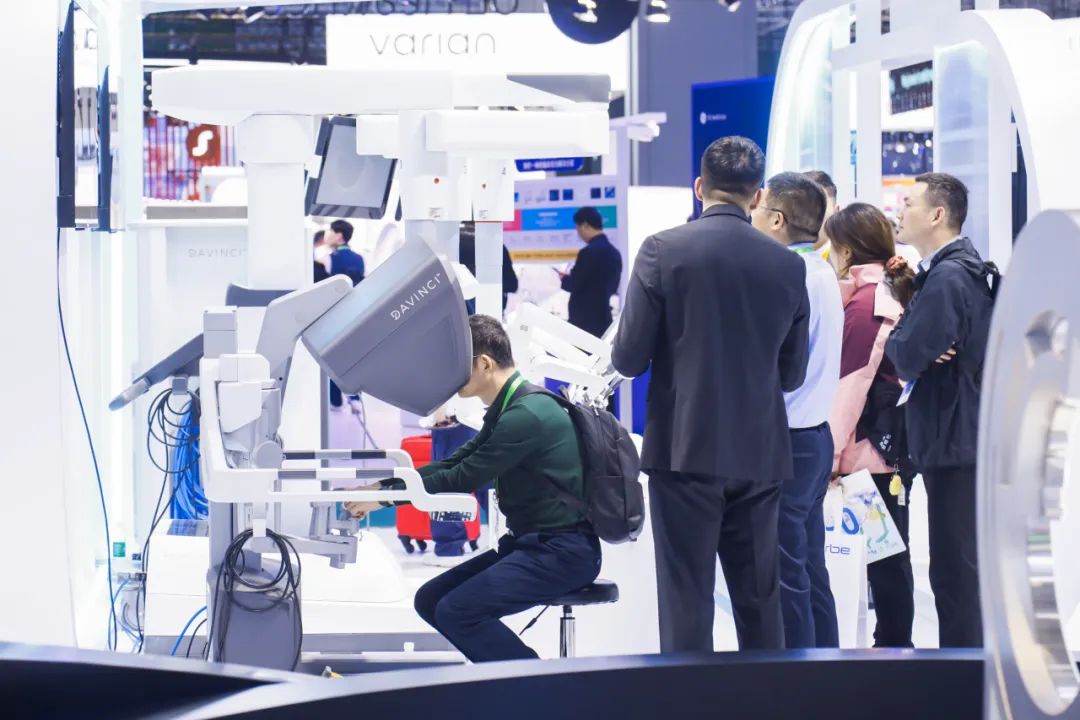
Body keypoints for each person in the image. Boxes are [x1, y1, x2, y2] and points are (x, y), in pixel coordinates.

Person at [612, 136, 811, 652]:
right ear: (758, 196)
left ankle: (689, 697)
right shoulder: (789, 266)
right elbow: (792, 374)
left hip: (684, 449)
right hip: (760, 452)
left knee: (686, 600)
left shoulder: (661, 250)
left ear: (699, 187)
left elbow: (628, 359)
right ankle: (767, 697)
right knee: (761, 602)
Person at [346, 315, 600, 663]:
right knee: (430, 601)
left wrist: (386, 498)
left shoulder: (527, 414)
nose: (451, 377)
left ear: (484, 364)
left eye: (457, 366)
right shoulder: (510, 408)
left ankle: (537, 684)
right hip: (530, 544)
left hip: (562, 553)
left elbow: (463, 476)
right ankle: (511, 679)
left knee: (457, 611)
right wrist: (384, 486)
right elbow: (454, 461)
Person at [884, 172, 994, 649]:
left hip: (954, 439)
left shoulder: (949, 277)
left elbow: (905, 354)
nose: (899, 211)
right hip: (956, 436)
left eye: (908, 203)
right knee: (956, 566)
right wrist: (912, 338)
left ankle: (965, 674)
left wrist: (905, 338)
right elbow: (914, 347)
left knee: (955, 570)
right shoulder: (952, 271)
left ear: (937, 214)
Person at [750, 172, 843, 649]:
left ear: (777, 220)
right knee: (809, 566)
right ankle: (827, 664)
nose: (752, 217)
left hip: (789, 440)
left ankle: (801, 676)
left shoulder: (789, 275)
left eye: (759, 209)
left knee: (786, 572)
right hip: (815, 436)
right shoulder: (822, 272)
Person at [825, 203, 918, 648]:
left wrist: (830, 456)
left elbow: (851, 387)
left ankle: (894, 646)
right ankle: (893, 644)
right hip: (884, 449)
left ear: (846, 251)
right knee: (888, 555)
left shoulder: (868, 305)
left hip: (870, 456)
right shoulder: (886, 291)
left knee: (885, 556)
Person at [559, 207, 622, 338]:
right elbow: (614, 287)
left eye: (577, 228)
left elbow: (575, 284)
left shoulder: (588, 253)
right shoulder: (615, 253)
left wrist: (564, 279)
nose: (578, 233)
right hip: (604, 318)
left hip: (582, 322)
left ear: (585, 226)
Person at [459, 221, 519, 313]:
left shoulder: (449, 241)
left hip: (458, 308)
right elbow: (512, 285)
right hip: (490, 310)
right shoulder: (495, 244)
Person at [802, 170, 839, 255]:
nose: (808, 218)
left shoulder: (848, 259)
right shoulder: (780, 256)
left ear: (836, 213)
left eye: (818, 209)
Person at [325, 219, 366, 286]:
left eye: (330, 231)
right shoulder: (360, 258)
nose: (326, 236)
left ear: (338, 236)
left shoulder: (329, 259)